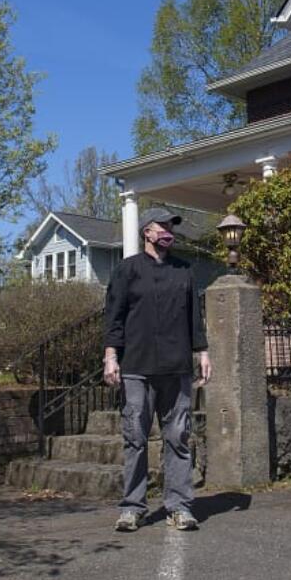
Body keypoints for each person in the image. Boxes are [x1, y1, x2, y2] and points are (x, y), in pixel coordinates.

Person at [103, 207, 212, 532]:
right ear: (146, 233)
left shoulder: (184, 271)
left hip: (176, 368)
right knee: (135, 437)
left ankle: (179, 506)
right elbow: (114, 316)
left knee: (178, 437)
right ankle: (133, 508)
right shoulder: (127, 270)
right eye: (162, 227)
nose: (168, 232)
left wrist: (202, 352)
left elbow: (195, 316)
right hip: (136, 367)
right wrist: (111, 356)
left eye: (171, 227)